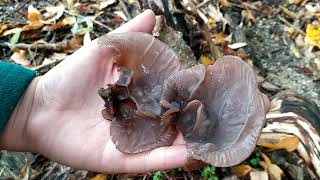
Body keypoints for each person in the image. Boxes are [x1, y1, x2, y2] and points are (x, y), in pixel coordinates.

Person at [0, 10, 270, 173]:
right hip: (146, 116)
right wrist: (29, 106)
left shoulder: (171, 97)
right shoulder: (138, 102)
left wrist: (30, 105)